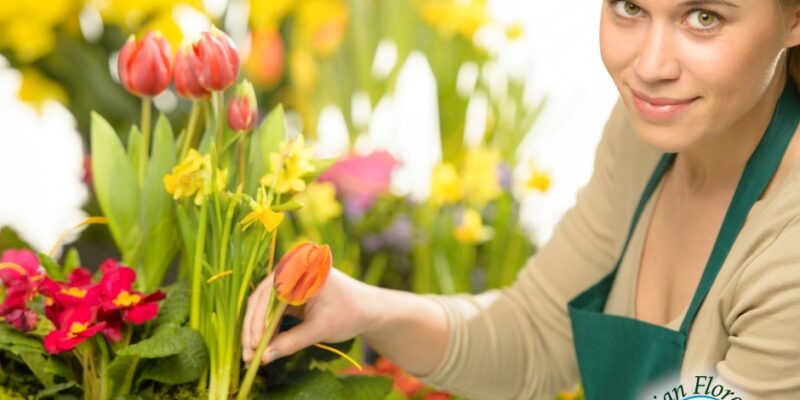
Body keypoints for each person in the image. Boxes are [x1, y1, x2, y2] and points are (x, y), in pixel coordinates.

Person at [242, 1, 800, 398]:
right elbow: (534, 336)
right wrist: (365, 308)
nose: (651, 68)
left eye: (704, 17)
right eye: (630, 7)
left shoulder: (788, 250)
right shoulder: (646, 136)